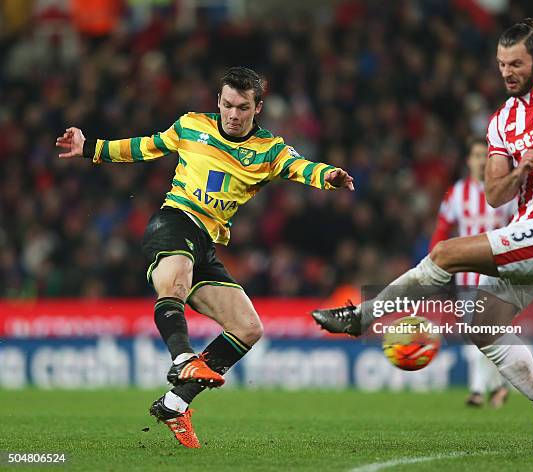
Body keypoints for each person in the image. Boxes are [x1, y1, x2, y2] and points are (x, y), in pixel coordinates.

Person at [312, 18, 533, 455]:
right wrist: (521, 170)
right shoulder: (502, 122)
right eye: (500, 64)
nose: (507, 72)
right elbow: (493, 193)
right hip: (528, 234)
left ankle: (365, 316)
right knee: (481, 325)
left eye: (516, 64)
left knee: (445, 253)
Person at [56, 67, 354, 448]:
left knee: (248, 327)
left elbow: (300, 166)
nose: (233, 114)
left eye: (242, 107)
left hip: (205, 244)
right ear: (218, 101)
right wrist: (89, 147)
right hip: (173, 221)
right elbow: (144, 146)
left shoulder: (269, 149)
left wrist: (327, 175)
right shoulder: (191, 125)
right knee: (175, 281)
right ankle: (182, 359)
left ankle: (175, 403)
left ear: (257, 107)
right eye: (227, 104)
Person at [429, 137, 514, 407]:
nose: (481, 160)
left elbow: (519, 227)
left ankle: (478, 391)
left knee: (483, 331)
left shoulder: (506, 192)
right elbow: (442, 230)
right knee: (478, 334)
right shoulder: (456, 193)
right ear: (468, 160)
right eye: (476, 155)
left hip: (498, 272)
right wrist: (434, 262)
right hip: (465, 274)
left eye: (485, 155)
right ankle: (499, 387)